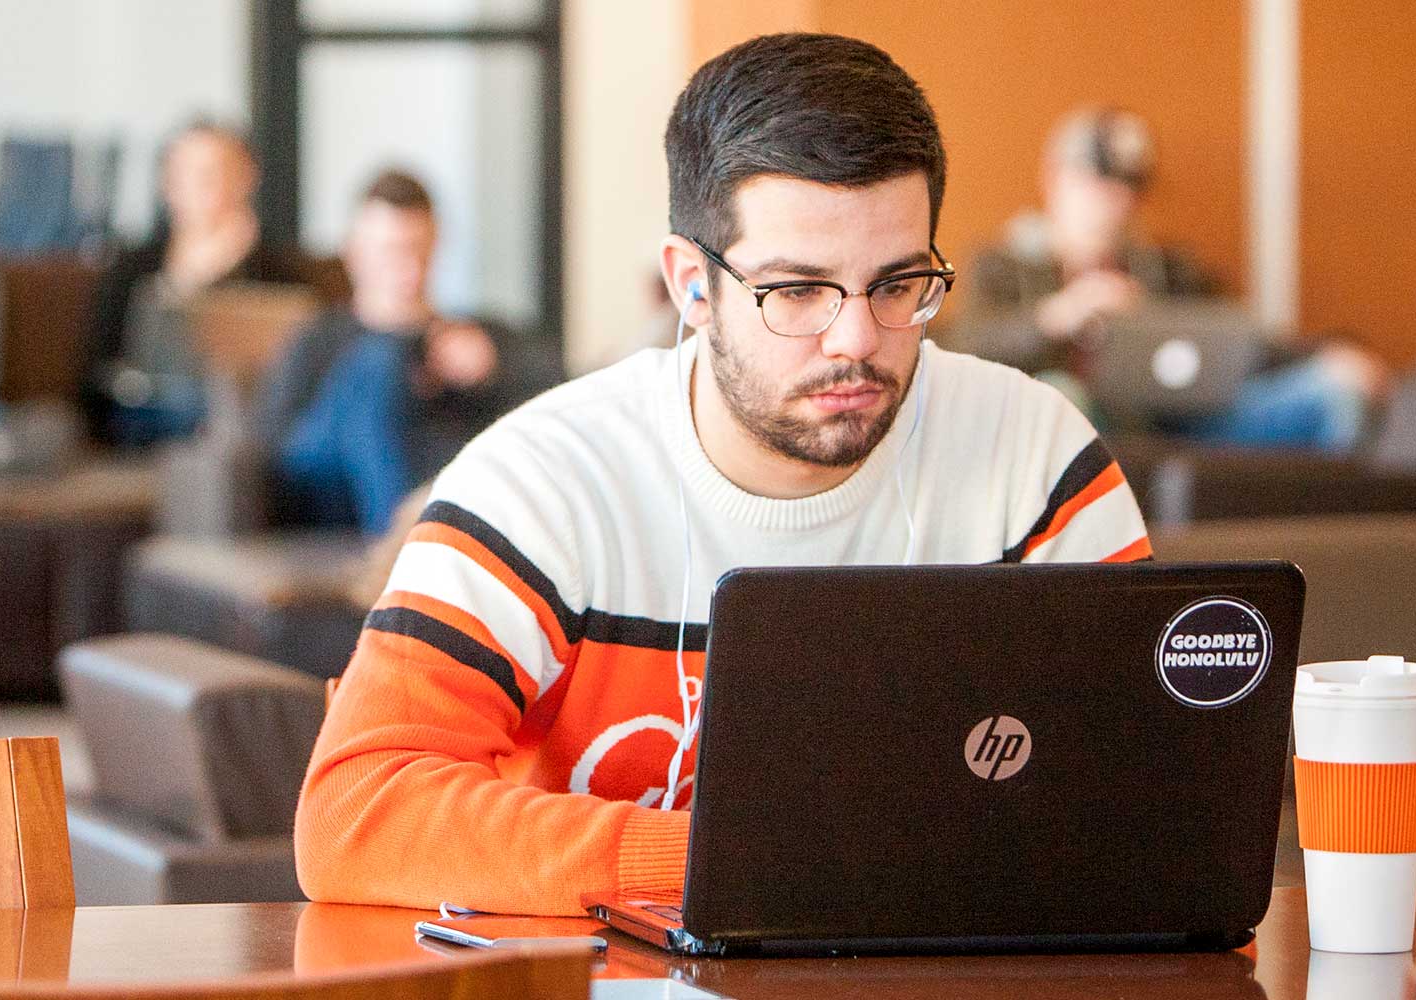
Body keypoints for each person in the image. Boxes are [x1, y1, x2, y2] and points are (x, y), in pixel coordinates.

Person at [294, 33, 1152, 916]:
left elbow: (1153, 792)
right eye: (797, 291)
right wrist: (759, 860)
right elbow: (357, 811)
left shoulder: (1033, 455)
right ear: (692, 287)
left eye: (897, 285)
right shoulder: (542, 481)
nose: (856, 339)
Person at [953, 106, 1381, 451]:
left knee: (1337, 393)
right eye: (1100, 181)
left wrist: (1326, 355)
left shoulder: (1167, 269)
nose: (1116, 201)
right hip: (1088, 429)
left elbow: (1237, 341)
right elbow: (965, 349)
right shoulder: (1004, 265)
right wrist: (1061, 315)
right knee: (1060, 397)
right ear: (1055, 178)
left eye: (1130, 187)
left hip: (1182, 424)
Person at [260, 170, 522, 536]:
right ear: (354, 251)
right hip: (325, 485)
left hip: (429, 477)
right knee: (379, 361)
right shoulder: (320, 336)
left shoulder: (470, 337)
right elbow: (277, 445)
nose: (408, 265)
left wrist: (488, 373)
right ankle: (407, 550)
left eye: (419, 247)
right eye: (391, 250)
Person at [81, 122, 302, 449]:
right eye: (185, 172)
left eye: (214, 172)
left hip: (239, 412)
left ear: (246, 179)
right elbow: (96, 368)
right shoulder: (131, 266)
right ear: (167, 183)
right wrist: (193, 276)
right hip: (143, 412)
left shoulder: (275, 273)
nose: (200, 186)